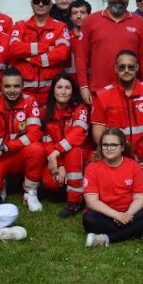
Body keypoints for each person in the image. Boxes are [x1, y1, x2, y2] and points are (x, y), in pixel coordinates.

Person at [0, 67, 46, 211]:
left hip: (18, 153)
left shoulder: (30, 102)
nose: (12, 90)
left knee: (37, 149)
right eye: (7, 86)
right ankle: (2, 184)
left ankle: (30, 192)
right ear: (1, 86)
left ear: (22, 86)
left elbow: (35, 133)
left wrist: (4, 148)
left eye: (16, 86)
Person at [90, 50, 143, 172]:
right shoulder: (102, 96)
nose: (126, 70)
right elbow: (98, 134)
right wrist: (113, 155)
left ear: (137, 68)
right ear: (115, 68)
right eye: (122, 67)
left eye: (131, 67)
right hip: (116, 163)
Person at [75, 0, 143, 102]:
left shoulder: (139, 23)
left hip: (130, 92)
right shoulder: (91, 21)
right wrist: (83, 86)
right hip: (99, 92)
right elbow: (81, 57)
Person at [81, 128, 143, 247]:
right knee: (89, 219)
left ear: (122, 147)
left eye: (113, 145)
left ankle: (107, 238)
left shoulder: (134, 166)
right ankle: (137, 233)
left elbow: (139, 197)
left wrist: (127, 214)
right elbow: (92, 202)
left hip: (129, 214)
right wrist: (117, 215)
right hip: (105, 214)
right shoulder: (92, 167)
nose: (109, 148)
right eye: (105, 145)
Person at [41, 74, 92, 218]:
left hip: (83, 155)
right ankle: (73, 189)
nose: (63, 92)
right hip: (58, 158)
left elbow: (79, 133)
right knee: (51, 183)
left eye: (67, 88)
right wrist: (61, 163)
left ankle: (74, 201)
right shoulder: (46, 112)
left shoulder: (80, 108)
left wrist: (57, 152)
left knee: (74, 151)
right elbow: (46, 141)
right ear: (53, 90)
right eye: (59, 87)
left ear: (72, 91)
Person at [8, 0, 71, 100]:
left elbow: (62, 53)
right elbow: (14, 49)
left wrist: (30, 58)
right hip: (24, 93)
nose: (41, 4)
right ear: (31, 4)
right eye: (37, 1)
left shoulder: (60, 27)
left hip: (51, 94)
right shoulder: (20, 25)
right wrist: (46, 47)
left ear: (51, 5)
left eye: (45, 2)